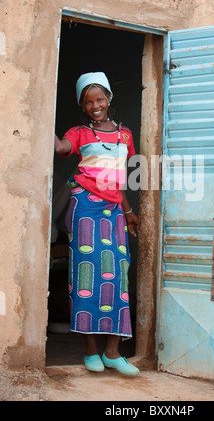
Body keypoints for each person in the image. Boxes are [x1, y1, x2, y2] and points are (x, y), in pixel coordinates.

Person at [54, 72, 140, 375]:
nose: (95, 105)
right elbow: (62, 148)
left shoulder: (125, 135)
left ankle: (113, 352)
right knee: (86, 278)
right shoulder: (78, 132)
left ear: (108, 99)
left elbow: (119, 181)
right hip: (85, 209)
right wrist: (43, 117)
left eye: (99, 99)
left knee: (119, 276)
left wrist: (128, 211)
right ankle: (90, 350)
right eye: (88, 102)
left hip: (113, 210)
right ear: (82, 105)